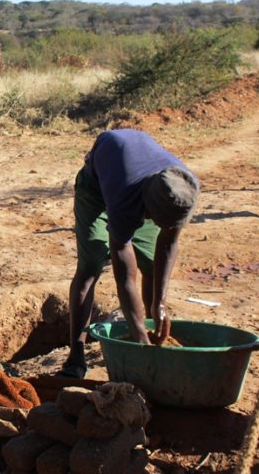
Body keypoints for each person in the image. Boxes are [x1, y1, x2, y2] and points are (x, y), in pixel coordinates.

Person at [61, 129, 199, 379]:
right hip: (96, 189)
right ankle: (76, 356)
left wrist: (160, 304)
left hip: (146, 187)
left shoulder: (183, 187)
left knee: (150, 263)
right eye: (160, 222)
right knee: (91, 265)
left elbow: (168, 242)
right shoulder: (125, 197)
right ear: (148, 211)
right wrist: (138, 337)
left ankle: (153, 336)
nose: (164, 228)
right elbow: (124, 277)